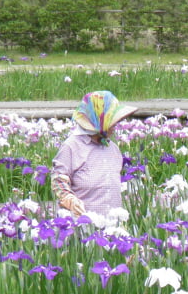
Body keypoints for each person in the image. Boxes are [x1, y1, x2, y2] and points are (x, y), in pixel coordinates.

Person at [52, 90, 137, 218]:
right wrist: (71, 201)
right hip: (83, 228)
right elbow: (58, 181)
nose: (115, 124)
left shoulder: (113, 148)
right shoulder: (71, 147)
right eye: (111, 119)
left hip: (112, 227)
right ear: (97, 118)